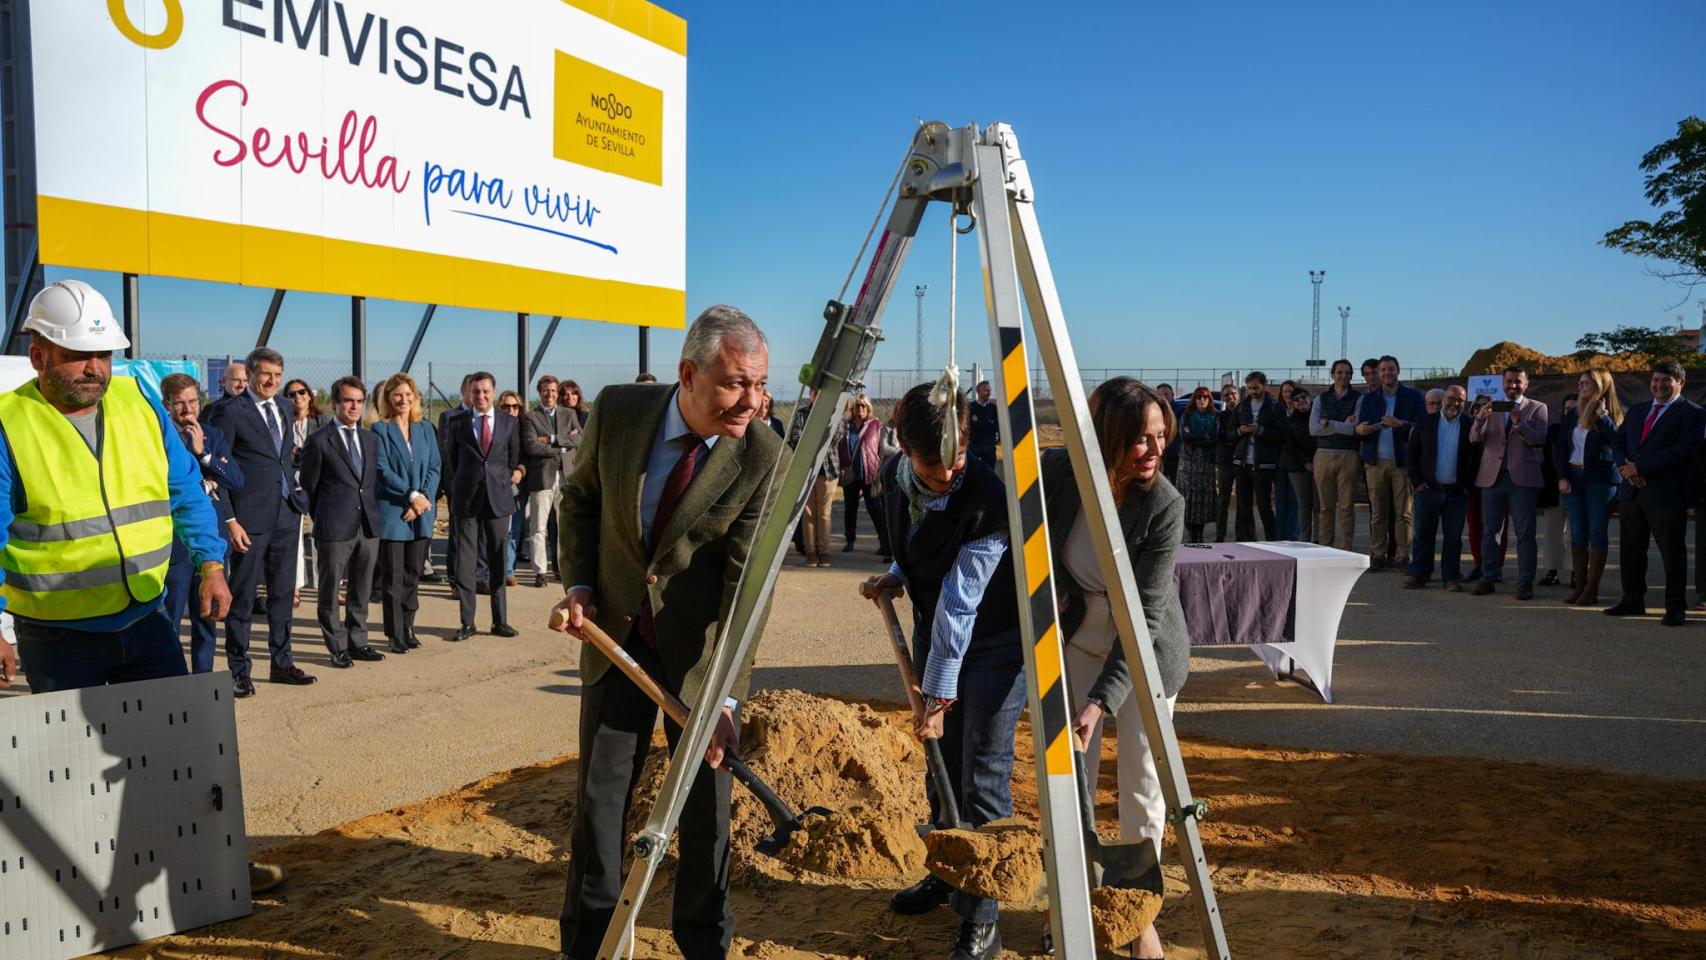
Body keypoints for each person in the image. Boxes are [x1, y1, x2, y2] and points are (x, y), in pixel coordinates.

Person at [0, 279, 286, 895]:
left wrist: (210, 564)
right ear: (39, 354)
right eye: (78, 354)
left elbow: (184, 489)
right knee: (70, 773)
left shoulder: (138, 403)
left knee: (178, 756)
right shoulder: (9, 422)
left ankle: (209, 867)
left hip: (149, 619)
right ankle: (83, 899)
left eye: (103, 354)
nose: (94, 368)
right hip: (58, 634)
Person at [550, 305, 780, 960]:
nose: (751, 401)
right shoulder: (620, 411)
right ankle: (588, 944)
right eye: (737, 382)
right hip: (616, 642)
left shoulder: (762, 456)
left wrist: (726, 700)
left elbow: (745, 589)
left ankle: (704, 944)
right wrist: (580, 588)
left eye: (760, 383)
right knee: (597, 810)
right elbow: (581, 498)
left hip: (698, 666)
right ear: (687, 372)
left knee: (706, 817)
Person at [861, 382, 1022, 960]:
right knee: (940, 767)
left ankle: (983, 913)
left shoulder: (988, 497)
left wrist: (937, 693)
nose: (946, 477)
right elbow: (916, 543)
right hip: (939, 631)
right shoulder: (892, 475)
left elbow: (962, 599)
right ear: (904, 448)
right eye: (932, 469)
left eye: (954, 463)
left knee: (981, 773)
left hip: (996, 645)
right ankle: (948, 871)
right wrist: (899, 574)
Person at [1041, 378, 1186, 960]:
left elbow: (1143, 620)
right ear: (1106, 439)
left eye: (1160, 437)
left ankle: (1135, 914)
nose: (1152, 450)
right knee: (1070, 779)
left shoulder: (1164, 505)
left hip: (1144, 653)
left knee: (1142, 784)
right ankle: (1070, 904)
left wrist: (1100, 703)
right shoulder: (1059, 474)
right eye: (1139, 439)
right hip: (1077, 640)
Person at [208, 346, 316, 696]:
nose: (272, 381)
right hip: (249, 520)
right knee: (242, 598)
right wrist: (231, 520)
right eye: (266, 374)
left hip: (286, 514)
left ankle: (282, 662)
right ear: (251, 374)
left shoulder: (285, 407)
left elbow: (282, 459)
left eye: (278, 376)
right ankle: (239, 670)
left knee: (283, 595)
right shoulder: (230, 412)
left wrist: (297, 501)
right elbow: (218, 472)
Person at [298, 376, 386, 668]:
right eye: (348, 401)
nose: (354, 407)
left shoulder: (371, 439)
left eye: (359, 401)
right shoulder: (319, 441)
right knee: (330, 588)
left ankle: (358, 640)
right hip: (334, 527)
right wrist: (323, 518)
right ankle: (336, 645)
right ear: (335, 403)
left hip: (368, 525)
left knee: (362, 587)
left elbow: (368, 483)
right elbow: (310, 487)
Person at [1606, 361, 1701, 625]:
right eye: (1655, 379)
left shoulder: (1693, 414)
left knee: (1672, 552)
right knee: (1631, 550)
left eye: (1666, 380)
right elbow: (1618, 441)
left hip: (1666, 494)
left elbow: (1684, 452)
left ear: (1681, 383)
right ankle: (1632, 599)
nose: (1659, 385)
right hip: (1631, 493)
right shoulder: (1637, 410)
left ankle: (1675, 607)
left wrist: (1641, 467)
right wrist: (1626, 469)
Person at [160, 373, 244, 673]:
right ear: (166, 405)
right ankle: (171, 681)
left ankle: (203, 681)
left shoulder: (213, 435)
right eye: (179, 404)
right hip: (175, 545)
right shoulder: (159, 439)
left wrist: (203, 454)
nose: (187, 410)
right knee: (170, 620)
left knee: (206, 619)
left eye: (193, 401)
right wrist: (206, 483)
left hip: (211, 541)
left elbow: (234, 479)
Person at [443, 373, 523, 640]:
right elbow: (452, 461)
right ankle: (468, 623)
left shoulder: (509, 422)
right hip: (467, 500)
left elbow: (513, 459)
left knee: (498, 561)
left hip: (498, 499)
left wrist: (501, 479)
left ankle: (500, 621)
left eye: (486, 391)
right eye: (476, 392)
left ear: (494, 392)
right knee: (465, 563)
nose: (481, 396)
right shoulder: (456, 423)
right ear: (469, 393)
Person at [372, 372, 441, 652]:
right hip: (394, 512)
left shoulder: (425, 428)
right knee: (393, 577)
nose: (403, 399)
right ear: (388, 398)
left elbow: (436, 466)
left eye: (408, 395)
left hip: (421, 512)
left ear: (415, 399)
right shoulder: (380, 429)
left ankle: (409, 625)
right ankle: (394, 632)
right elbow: (381, 469)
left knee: (413, 573)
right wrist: (410, 496)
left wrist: (422, 499)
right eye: (397, 394)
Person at [1469, 366, 1549, 599]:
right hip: (1492, 478)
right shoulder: (1491, 406)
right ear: (1502, 383)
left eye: (1517, 382)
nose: (1512, 385)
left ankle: (1525, 582)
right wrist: (1480, 420)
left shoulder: (1537, 408)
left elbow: (1538, 440)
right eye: (1509, 381)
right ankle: (1488, 576)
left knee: (1525, 533)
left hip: (1522, 480)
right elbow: (1474, 438)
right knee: (1490, 532)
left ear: (1526, 384)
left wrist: (1519, 423)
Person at [1355, 356, 1426, 571]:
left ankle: (1403, 556)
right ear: (1379, 372)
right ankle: (1378, 555)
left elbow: (1423, 427)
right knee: (1377, 512)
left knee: (1403, 513)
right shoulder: (1369, 399)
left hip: (1402, 463)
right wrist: (1360, 430)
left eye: (1390, 369)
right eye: (1383, 370)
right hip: (1375, 462)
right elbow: (1359, 426)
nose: (1386, 373)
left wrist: (1402, 424)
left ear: (1398, 371)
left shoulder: (1413, 397)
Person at [1558, 369, 1621, 606]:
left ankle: (1592, 589)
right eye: (1580, 382)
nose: (1582, 386)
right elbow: (1561, 447)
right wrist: (1562, 476)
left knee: (1596, 533)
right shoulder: (1573, 414)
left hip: (1600, 481)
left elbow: (1618, 443)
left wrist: (1603, 418)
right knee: (1577, 533)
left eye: (1587, 383)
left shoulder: (1611, 414)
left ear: (1601, 386)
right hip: (1573, 478)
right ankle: (1580, 586)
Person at [1405, 385, 1474, 589]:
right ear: (1444, 399)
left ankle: (1451, 576)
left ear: (1465, 403)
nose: (1455, 403)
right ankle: (1419, 574)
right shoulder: (1425, 422)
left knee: (1453, 537)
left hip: (1456, 492)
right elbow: (1412, 454)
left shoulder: (1469, 425)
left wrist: (1466, 487)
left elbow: (1476, 458)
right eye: (1451, 398)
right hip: (1429, 490)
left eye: (1460, 400)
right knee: (1423, 535)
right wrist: (1417, 482)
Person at [522, 376, 580, 587]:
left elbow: (580, 438)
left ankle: (563, 569)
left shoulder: (569, 414)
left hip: (566, 475)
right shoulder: (530, 417)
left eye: (553, 391)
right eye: (546, 391)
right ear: (539, 393)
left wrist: (553, 440)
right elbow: (532, 446)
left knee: (564, 526)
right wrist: (565, 446)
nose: (550, 395)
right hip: (542, 477)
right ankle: (540, 571)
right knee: (539, 527)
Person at [283, 377, 330, 599]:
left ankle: (326, 585)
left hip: (318, 479)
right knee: (294, 534)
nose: (297, 397)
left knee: (322, 532)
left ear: (310, 395)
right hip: (291, 479)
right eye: (291, 394)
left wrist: (299, 452)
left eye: (301, 392)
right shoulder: (283, 422)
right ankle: (294, 585)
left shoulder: (321, 421)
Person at [1310, 359, 1361, 551]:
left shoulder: (1358, 398)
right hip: (1323, 455)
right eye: (1339, 372)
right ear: (1332, 374)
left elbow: (1354, 430)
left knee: (1347, 507)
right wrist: (1343, 424)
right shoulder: (1320, 399)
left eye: (1347, 372)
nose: (1343, 376)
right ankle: (1326, 548)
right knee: (1325, 507)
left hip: (1348, 455)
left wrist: (1329, 423)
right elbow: (1314, 429)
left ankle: (1346, 549)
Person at [838, 394, 893, 559]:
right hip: (850, 474)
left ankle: (885, 543)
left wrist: (879, 469)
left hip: (870, 473)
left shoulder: (875, 425)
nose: (860, 409)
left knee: (876, 509)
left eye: (863, 406)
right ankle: (850, 540)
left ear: (868, 408)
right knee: (850, 509)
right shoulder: (845, 427)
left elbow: (881, 450)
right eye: (857, 406)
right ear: (852, 409)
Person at [790, 388, 840, 566]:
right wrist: (814, 441)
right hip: (806, 471)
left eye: (821, 391)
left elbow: (837, 436)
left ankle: (824, 551)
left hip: (828, 471)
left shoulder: (835, 411)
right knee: (808, 513)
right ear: (810, 393)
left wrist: (811, 439)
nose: (817, 394)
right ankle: (811, 552)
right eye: (814, 391)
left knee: (824, 513)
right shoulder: (802, 413)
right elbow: (795, 438)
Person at [1231, 372, 1283, 541]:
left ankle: (1272, 542)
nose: (1253, 391)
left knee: (1264, 506)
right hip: (1243, 463)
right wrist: (1240, 431)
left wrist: (1259, 430)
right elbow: (1229, 433)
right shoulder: (1242, 406)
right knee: (1243, 507)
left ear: (1264, 386)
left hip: (1264, 464)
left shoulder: (1274, 406)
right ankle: (1246, 541)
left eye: (1256, 387)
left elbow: (1282, 436)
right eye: (1250, 388)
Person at [1175, 386, 1220, 542]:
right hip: (1188, 463)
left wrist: (1196, 436)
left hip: (1206, 464)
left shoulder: (1214, 416)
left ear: (1209, 400)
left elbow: (1214, 438)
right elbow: (1185, 437)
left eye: (1205, 397)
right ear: (1194, 399)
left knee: (1202, 501)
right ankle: (1191, 535)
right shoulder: (1186, 415)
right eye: (1199, 397)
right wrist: (1203, 436)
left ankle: (1199, 535)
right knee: (1188, 499)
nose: (1202, 400)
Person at [1537, 395, 1570, 588]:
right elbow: (1546, 457)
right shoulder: (1555, 430)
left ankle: (1577, 572)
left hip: (1579, 489)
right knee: (1552, 531)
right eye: (1567, 408)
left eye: (1575, 407)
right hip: (1554, 487)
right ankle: (1552, 570)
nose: (1571, 411)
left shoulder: (1589, 428)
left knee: (1576, 533)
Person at [498, 391, 529, 586]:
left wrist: (520, 470)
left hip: (519, 486)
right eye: (507, 406)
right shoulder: (495, 427)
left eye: (515, 407)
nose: (511, 410)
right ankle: (496, 569)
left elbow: (529, 454)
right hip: (498, 486)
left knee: (515, 530)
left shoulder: (524, 429)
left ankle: (508, 570)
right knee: (499, 530)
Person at [1279, 386, 1316, 542]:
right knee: (1303, 505)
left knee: (1319, 505)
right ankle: (1305, 540)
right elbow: (1289, 445)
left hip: (1319, 464)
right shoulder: (1290, 421)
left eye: (1303, 397)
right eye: (1296, 399)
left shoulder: (1318, 416)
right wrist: (1305, 462)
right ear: (1292, 403)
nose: (1301, 401)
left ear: (1310, 398)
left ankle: (1320, 538)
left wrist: (1316, 461)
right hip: (1297, 468)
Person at [1214, 384, 1240, 541]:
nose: (1230, 398)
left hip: (1244, 461)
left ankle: (1242, 535)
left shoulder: (1247, 413)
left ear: (1238, 395)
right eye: (1226, 395)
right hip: (1225, 461)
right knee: (1223, 500)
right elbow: (1222, 438)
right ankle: (1220, 535)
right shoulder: (1221, 417)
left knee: (1243, 502)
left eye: (1232, 394)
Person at [967, 379, 999, 469]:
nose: (988, 392)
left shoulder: (994, 408)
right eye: (985, 390)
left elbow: (996, 426)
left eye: (989, 390)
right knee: (973, 473)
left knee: (990, 475)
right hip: (974, 448)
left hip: (989, 448)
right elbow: (970, 426)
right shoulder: (970, 407)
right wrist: (988, 422)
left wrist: (978, 422)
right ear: (978, 392)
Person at [1157, 383, 1180, 483]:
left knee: (1175, 483)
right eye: (1161, 395)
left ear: (1173, 394)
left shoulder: (1180, 410)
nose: (1164, 397)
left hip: (1174, 454)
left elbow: (1178, 431)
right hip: (1158, 454)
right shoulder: (1154, 410)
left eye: (1166, 394)